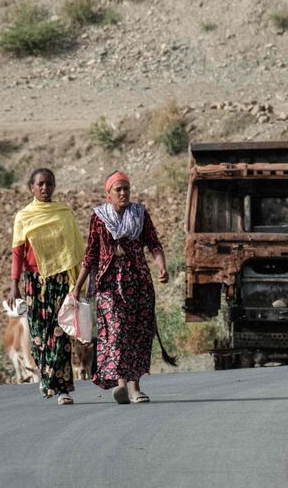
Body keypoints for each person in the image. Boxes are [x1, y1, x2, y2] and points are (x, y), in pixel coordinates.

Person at [72, 171, 168, 404]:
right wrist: (77, 287)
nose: (123, 193)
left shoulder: (140, 214)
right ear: (109, 194)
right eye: (118, 189)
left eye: (126, 188)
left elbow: (153, 244)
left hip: (138, 281)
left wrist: (162, 267)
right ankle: (121, 384)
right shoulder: (99, 218)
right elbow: (91, 254)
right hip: (108, 283)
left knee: (137, 332)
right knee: (115, 332)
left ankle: (136, 388)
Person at [9, 168, 85, 405]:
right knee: (39, 336)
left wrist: (78, 283)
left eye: (49, 184)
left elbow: (73, 250)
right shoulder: (24, 217)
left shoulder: (64, 214)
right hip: (33, 282)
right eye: (40, 184)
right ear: (31, 187)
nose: (45, 188)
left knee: (60, 335)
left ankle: (62, 389)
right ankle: (46, 379)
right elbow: (17, 253)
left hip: (61, 281)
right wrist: (14, 285)